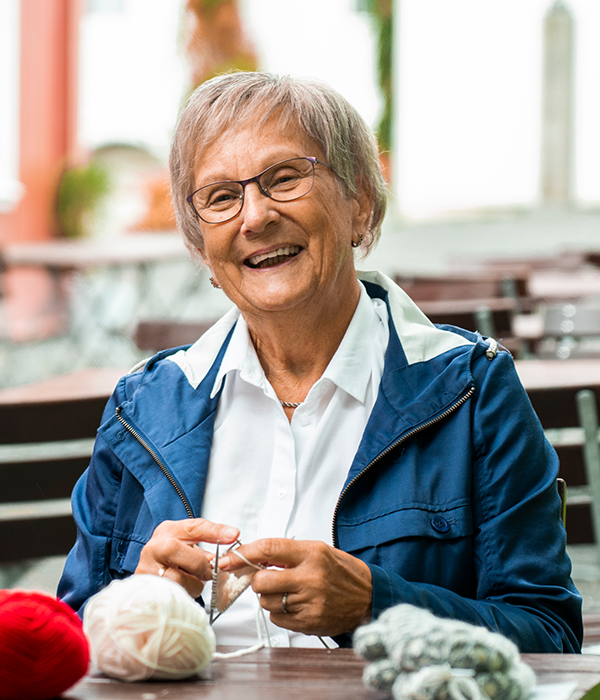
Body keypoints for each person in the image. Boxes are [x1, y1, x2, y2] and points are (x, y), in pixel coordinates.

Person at [58, 71, 582, 653]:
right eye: (221, 197)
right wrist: (139, 602)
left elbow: (549, 636)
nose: (253, 217)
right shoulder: (145, 406)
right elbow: (67, 641)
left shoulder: (471, 392)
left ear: (360, 202)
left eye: (284, 179)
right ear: (200, 245)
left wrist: (376, 603)